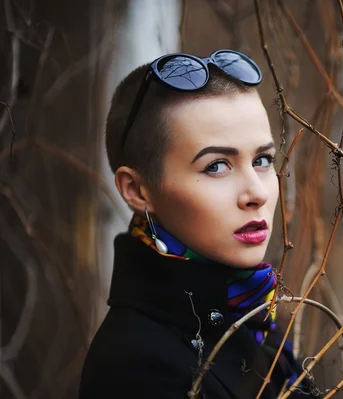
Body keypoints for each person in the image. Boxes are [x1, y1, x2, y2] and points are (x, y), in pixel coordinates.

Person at [79, 50, 309, 398]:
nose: (256, 193)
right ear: (138, 190)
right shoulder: (136, 368)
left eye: (262, 160)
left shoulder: (250, 316)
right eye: (216, 166)